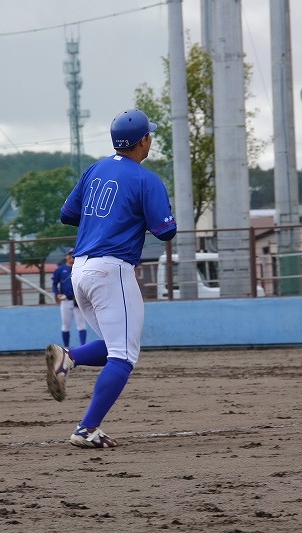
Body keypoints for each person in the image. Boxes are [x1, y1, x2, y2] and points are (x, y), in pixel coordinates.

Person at [45, 109, 176, 448]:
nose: (150, 140)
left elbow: (67, 215)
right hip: (111, 269)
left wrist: (108, 219)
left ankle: (70, 357)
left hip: (81, 269)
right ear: (143, 141)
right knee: (124, 356)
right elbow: (166, 231)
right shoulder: (146, 178)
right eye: (149, 135)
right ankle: (86, 429)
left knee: (115, 345)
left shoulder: (95, 169)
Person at [51, 248, 87, 348]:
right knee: (65, 325)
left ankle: (83, 347)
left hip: (78, 300)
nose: (71, 256)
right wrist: (57, 294)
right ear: (66, 256)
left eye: (73, 254)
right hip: (66, 301)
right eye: (69, 254)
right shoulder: (60, 269)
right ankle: (66, 348)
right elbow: (54, 284)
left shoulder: (80, 268)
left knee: (81, 325)